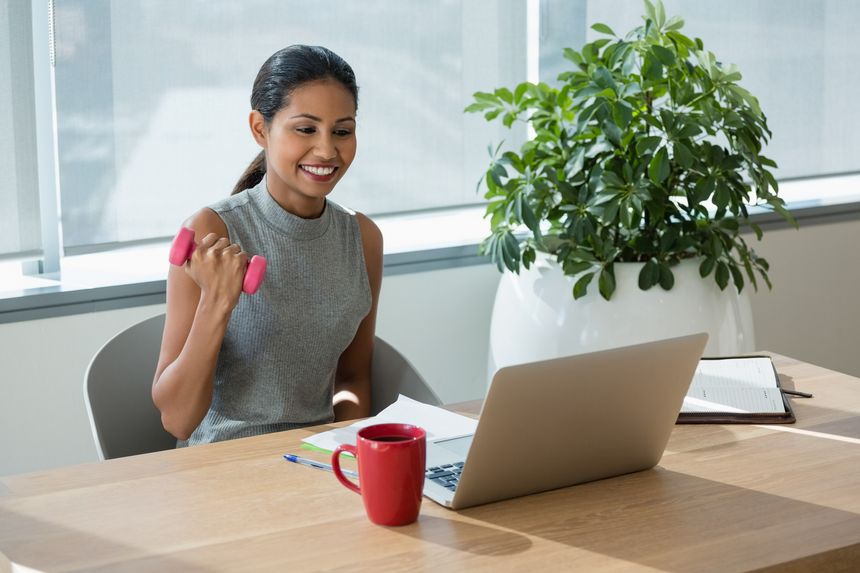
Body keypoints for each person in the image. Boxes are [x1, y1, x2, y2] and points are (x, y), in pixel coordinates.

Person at [152, 45, 382, 445]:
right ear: (261, 128)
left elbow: (352, 378)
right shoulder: (210, 232)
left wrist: (345, 446)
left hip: (316, 461)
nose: (327, 150)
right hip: (226, 467)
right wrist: (217, 301)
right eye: (306, 129)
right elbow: (178, 421)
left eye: (342, 131)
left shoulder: (362, 239)